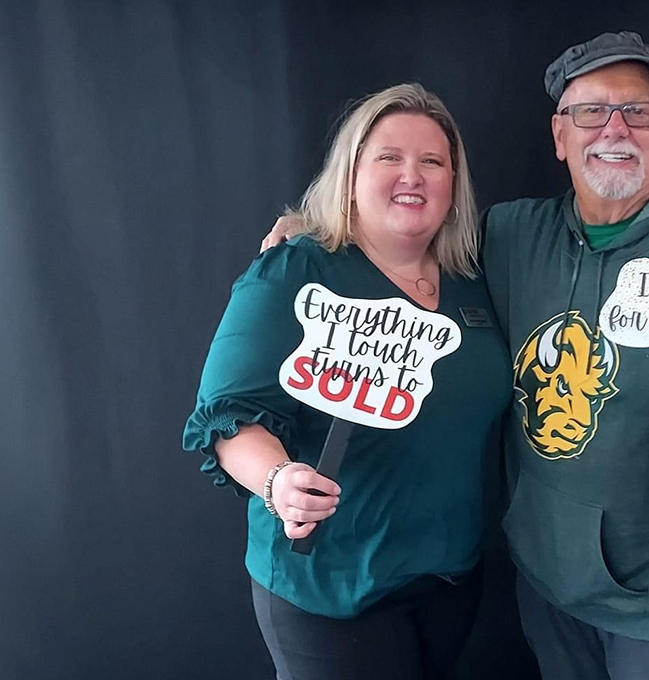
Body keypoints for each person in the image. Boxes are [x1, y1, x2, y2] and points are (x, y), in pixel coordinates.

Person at [262, 32, 649, 680]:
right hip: (545, 578)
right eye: (590, 111)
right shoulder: (513, 235)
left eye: (638, 112)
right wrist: (322, 237)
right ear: (559, 135)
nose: (615, 129)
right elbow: (412, 244)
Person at [183, 83, 511, 680]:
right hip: (328, 583)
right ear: (351, 171)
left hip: (448, 577)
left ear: (453, 183)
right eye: (389, 157)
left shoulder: (474, 280)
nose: (411, 175)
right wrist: (278, 480)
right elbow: (226, 416)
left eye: (432, 161)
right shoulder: (293, 269)